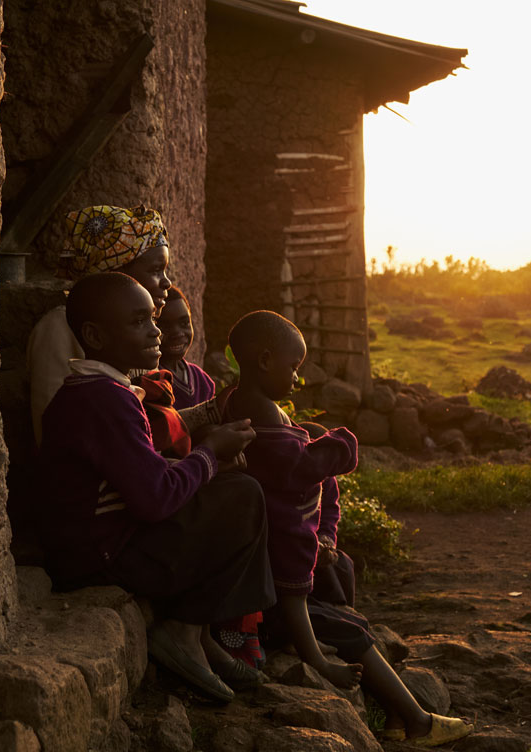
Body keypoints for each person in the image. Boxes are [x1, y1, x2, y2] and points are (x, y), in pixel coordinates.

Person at [224, 310, 473, 747]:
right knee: (349, 630)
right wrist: (341, 441)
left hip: (267, 581)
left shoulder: (245, 404)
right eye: (293, 368)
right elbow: (298, 468)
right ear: (264, 361)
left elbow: (294, 456)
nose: (297, 379)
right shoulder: (263, 420)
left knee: (341, 574)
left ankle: (396, 717)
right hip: (265, 602)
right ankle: (417, 722)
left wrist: (324, 535)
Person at [36, 272, 275, 702]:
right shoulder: (103, 399)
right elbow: (154, 498)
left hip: (105, 544)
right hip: (101, 558)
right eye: (138, 321)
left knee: (235, 487)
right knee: (243, 498)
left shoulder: (103, 390)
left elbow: (137, 473)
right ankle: (183, 632)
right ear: (95, 335)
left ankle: (199, 635)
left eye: (153, 319)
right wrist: (210, 454)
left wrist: (210, 463)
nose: (155, 331)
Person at [27, 205, 173, 444]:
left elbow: (144, 425)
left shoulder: (143, 332)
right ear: (114, 273)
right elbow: (54, 431)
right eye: (156, 270)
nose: (166, 282)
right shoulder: (58, 328)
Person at [155, 286, 216, 410]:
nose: (178, 333)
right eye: (165, 326)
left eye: (184, 323)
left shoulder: (202, 380)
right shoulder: (153, 379)